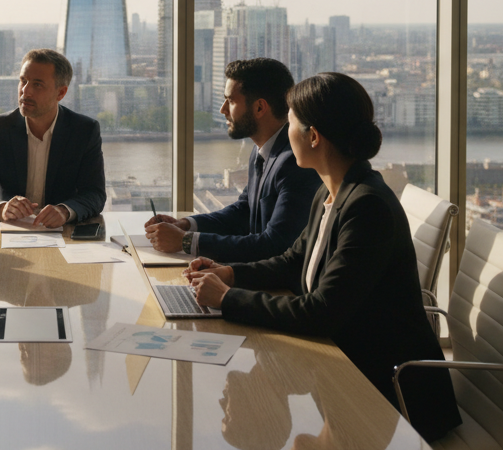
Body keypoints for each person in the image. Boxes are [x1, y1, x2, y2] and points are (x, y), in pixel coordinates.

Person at [184, 72, 461, 443]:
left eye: (291, 124)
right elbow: (292, 261)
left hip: (389, 395)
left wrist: (228, 299)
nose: (286, 133)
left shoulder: (367, 207)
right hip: (345, 367)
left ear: (313, 136)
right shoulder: (331, 192)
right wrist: (230, 274)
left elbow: (322, 311)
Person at [144, 58, 319, 262]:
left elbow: (275, 244)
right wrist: (185, 225)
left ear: (260, 108)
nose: (223, 109)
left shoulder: (295, 163)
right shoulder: (262, 150)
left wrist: (186, 241)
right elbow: (243, 211)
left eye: (231, 101)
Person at [0, 49, 106, 227]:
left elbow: (94, 194)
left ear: (61, 93)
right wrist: (1, 208)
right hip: (9, 231)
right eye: (23, 81)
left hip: (63, 234)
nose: (25, 91)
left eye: (37, 84)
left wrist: (65, 211)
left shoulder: (84, 131)